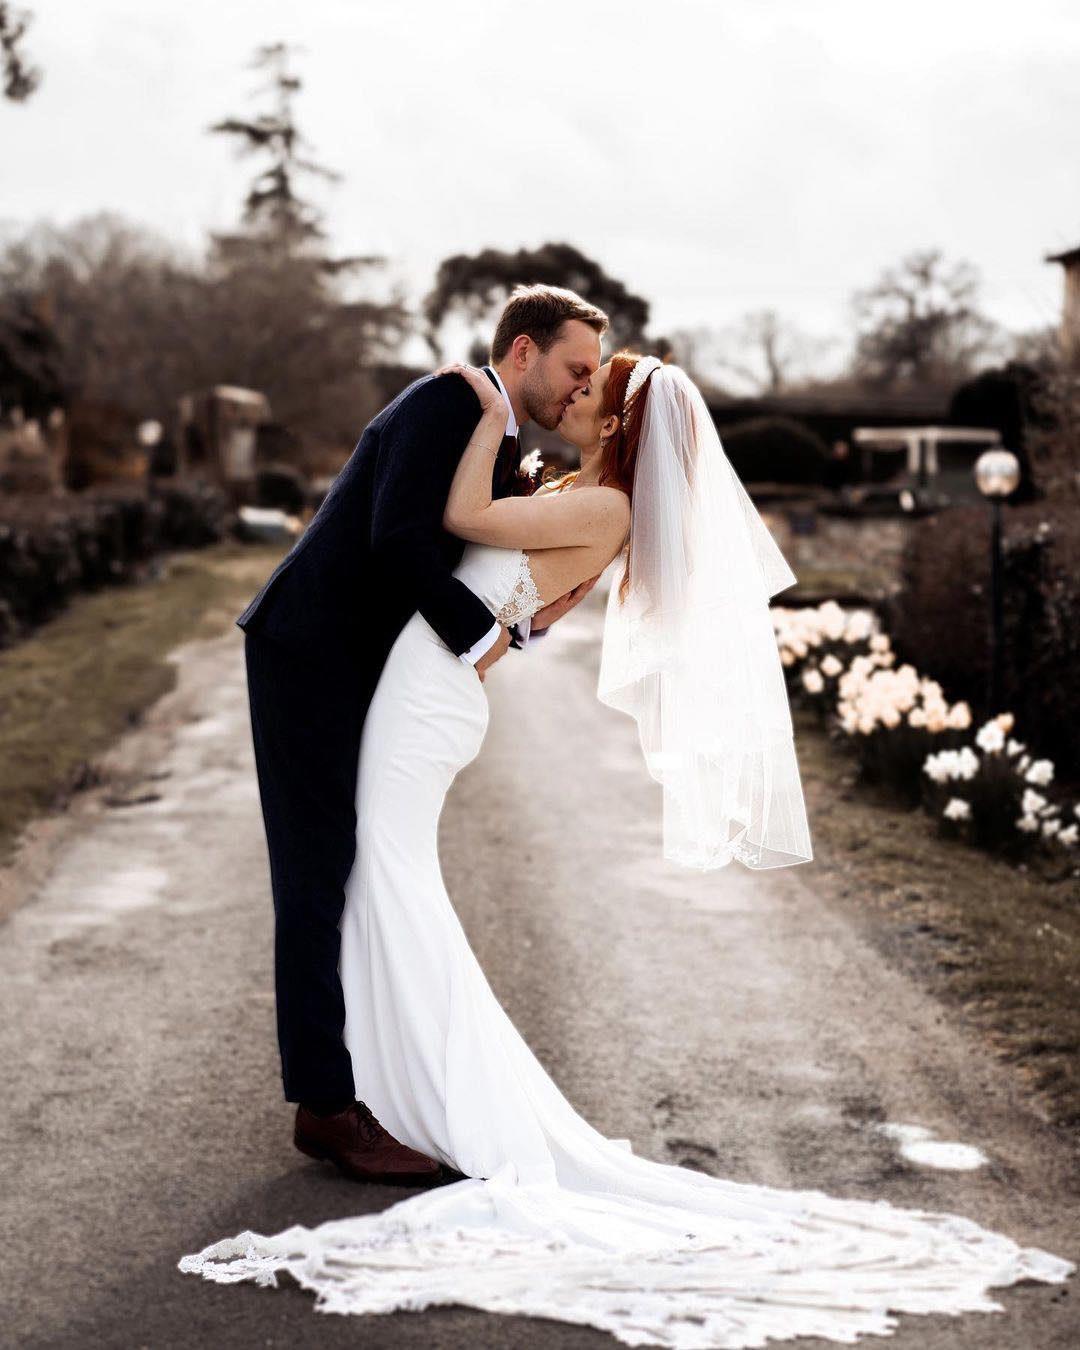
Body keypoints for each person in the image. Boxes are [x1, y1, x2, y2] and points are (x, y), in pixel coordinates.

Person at [183, 350, 1073, 1345]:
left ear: (623, 417)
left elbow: (469, 524)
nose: (583, 381)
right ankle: (380, 1086)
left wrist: (485, 413)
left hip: (428, 701)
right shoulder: (585, 499)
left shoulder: (602, 511)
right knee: (372, 880)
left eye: (599, 375)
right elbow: (525, 607)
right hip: (428, 691)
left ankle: (409, 1095)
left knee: (384, 877)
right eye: (581, 367)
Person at [235, 284, 607, 1183]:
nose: (578, 389)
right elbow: (399, 538)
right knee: (316, 871)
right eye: (573, 368)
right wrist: (482, 641)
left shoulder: (493, 432)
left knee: (347, 864)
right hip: (310, 652)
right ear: (523, 353)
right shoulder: (448, 402)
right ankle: (326, 1106)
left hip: (351, 662)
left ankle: (363, 1076)